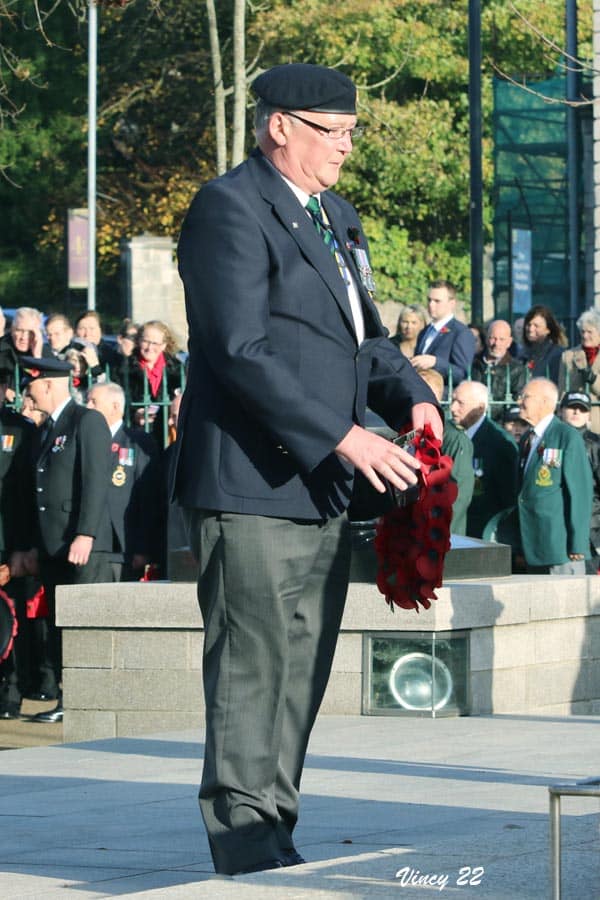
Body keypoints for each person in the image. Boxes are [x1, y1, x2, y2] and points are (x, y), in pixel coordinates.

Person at [173, 62, 441, 876]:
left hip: (320, 486)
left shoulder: (337, 216)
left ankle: (276, 830)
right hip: (251, 485)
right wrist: (342, 436)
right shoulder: (228, 208)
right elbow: (240, 350)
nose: (346, 150)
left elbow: (365, 337)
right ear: (278, 125)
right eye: (333, 133)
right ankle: (245, 842)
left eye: (353, 133)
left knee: (302, 669)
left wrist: (412, 397)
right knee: (253, 666)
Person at [13, 356, 113, 723]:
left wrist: (85, 533)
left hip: (80, 545)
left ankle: (91, 699)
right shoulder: (47, 429)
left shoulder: (86, 421)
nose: (28, 393)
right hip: (54, 547)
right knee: (59, 625)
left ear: (51, 384)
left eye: (33, 386)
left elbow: (95, 481)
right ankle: (67, 697)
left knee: (83, 622)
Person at [515, 378, 592, 574]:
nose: (519, 401)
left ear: (544, 402)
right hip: (533, 544)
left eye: (525, 397)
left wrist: (578, 543)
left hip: (560, 547)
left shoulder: (566, 436)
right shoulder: (527, 438)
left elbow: (579, 493)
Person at [87, 382, 160, 581]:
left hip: (124, 548)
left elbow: (148, 498)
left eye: (94, 401)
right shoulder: (84, 440)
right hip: (90, 547)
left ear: (115, 406)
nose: (88, 407)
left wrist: (143, 547)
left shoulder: (138, 442)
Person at [0, 366, 37, 718]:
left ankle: (11, 690)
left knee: (11, 621)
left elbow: (27, 495)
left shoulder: (19, 430)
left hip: (7, 542)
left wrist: (20, 549)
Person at [449, 380, 519, 539]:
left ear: (480, 408)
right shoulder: (451, 434)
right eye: (453, 400)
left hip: (481, 535)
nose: (453, 408)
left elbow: (507, 499)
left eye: (460, 403)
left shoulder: (499, 442)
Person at [418, 369, 473, 535]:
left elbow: (459, 494)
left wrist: (438, 530)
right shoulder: (410, 430)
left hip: (438, 533)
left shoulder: (453, 438)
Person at [116, 320, 182, 447]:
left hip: (167, 437)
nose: (149, 347)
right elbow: (117, 401)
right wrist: (133, 413)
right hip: (135, 436)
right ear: (138, 341)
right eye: (145, 341)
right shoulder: (123, 368)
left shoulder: (177, 369)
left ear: (164, 345)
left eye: (155, 343)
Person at [558, 391, 600, 574]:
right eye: (572, 407)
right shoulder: (553, 438)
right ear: (560, 410)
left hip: (589, 528)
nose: (576, 412)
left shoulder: (595, 444)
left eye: (582, 409)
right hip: (558, 525)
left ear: (588, 414)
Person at [411, 279, 476, 389]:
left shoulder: (461, 333)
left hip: (444, 397)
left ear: (452, 303)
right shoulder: (425, 331)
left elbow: (462, 374)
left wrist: (436, 363)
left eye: (437, 301)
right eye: (429, 300)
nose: (431, 305)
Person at [470, 319, 526, 421]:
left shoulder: (518, 369)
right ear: (487, 339)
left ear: (509, 342)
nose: (496, 343)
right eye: (493, 338)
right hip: (472, 420)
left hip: (501, 424)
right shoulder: (473, 364)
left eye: (501, 339)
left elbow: (516, 402)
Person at [559, 307, 600, 435]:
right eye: (582, 332)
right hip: (574, 420)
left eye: (589, 332)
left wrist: (594, 379)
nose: (585, 335)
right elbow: (562, 390)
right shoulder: (568, 356)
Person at [0, 307, 53, 399]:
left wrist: (37, 356)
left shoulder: (46, 353)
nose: (24, 337)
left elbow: (50, 386)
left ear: (38, 333)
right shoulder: (2, 348)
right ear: (12, 330)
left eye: (30, 332)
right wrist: (3, 390)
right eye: (19, 330)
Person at [520, 305, 566, 384]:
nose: (531, 329)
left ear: (548, 330)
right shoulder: (522, 354)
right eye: (529, 324)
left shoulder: (557, 355)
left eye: (536, 326)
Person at [73, 310, 120, 377]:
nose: (87, 333)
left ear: (100, 330)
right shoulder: (69, 353)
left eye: (92, 328)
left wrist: (95, 367)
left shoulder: (111, 355)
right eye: (82, 328)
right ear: (75, 332)